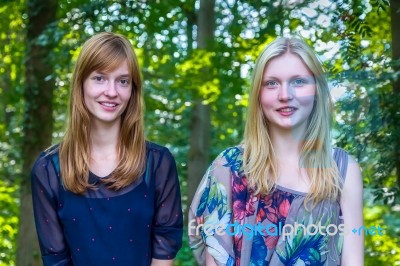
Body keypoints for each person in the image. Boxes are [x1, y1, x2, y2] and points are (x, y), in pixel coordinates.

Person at [188, 36, 364, 266]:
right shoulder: (229, 167)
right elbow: (215, 258)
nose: (284, 94)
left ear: (317, 90)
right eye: (271, 83)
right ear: (258, 95)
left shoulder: (343, 169)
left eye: (298, 81)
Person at [31, 32, 183, 266]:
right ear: (81, 83)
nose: (112, 91)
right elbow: (56, 260)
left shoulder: (158, 163)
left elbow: (164, 251)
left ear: (133, 89)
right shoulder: (48, 169)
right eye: (99, 78)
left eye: (122, 81)